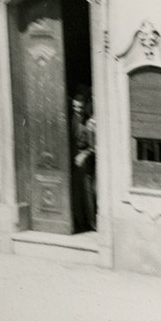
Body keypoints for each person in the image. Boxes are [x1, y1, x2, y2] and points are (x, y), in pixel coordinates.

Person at [71, 86, 96, 232]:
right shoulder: (70, 118)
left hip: (84, 161)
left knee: (87, 192)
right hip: (71, 159)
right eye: (74, 106)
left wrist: (83, 154)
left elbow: (93, 147)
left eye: (80, 107)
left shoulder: (89, 123)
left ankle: (91, 223)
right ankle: (78, 222)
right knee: (75, 192)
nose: (77, 109)